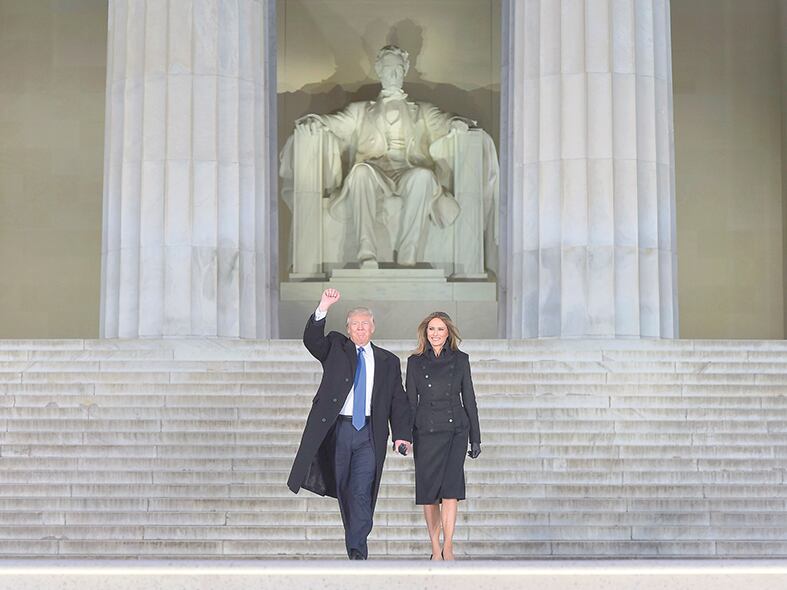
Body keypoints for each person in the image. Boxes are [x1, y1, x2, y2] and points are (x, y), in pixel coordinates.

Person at [295, 45, 472, 268]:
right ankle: (366, 253)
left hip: (408, 171)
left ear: (405, 69)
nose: (393, 74)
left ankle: (408, 255)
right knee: (359, 172)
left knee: (424, 177)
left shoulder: (422, 110)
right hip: (374, 171)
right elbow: (335, 123)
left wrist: (456, 123)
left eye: (398, 68)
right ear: (379, 70)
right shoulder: (360, 110)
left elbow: (444, 122)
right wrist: (316, 121)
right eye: (388, 68)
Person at [287, 288, 412, 559]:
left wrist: (402, 435)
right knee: (345, 489)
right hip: (340, 431)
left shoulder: (388, 361)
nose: (360, 329)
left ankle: (357, 550)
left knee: (361, 490)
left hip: (369, 433)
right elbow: (312, 340)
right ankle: (356, 544)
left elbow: (397, 400)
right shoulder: (335, 347)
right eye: (355, 325)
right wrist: (323, 307)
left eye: (365, 324)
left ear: (373, 327)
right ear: (348, 328)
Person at [406, 311, 480, 560]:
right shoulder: (415, 362)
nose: (435, 334)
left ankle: (448, 546)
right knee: (429, 493)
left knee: (450, 490)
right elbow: (410, 401)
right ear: (425, 333)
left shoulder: (461, 360)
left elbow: (469, 398)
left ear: (448, 332)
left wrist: (476, 437)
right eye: (431, 329)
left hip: (455, 430)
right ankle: (435, 549)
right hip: (425, 431)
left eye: (440, 329)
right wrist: (405, 435)